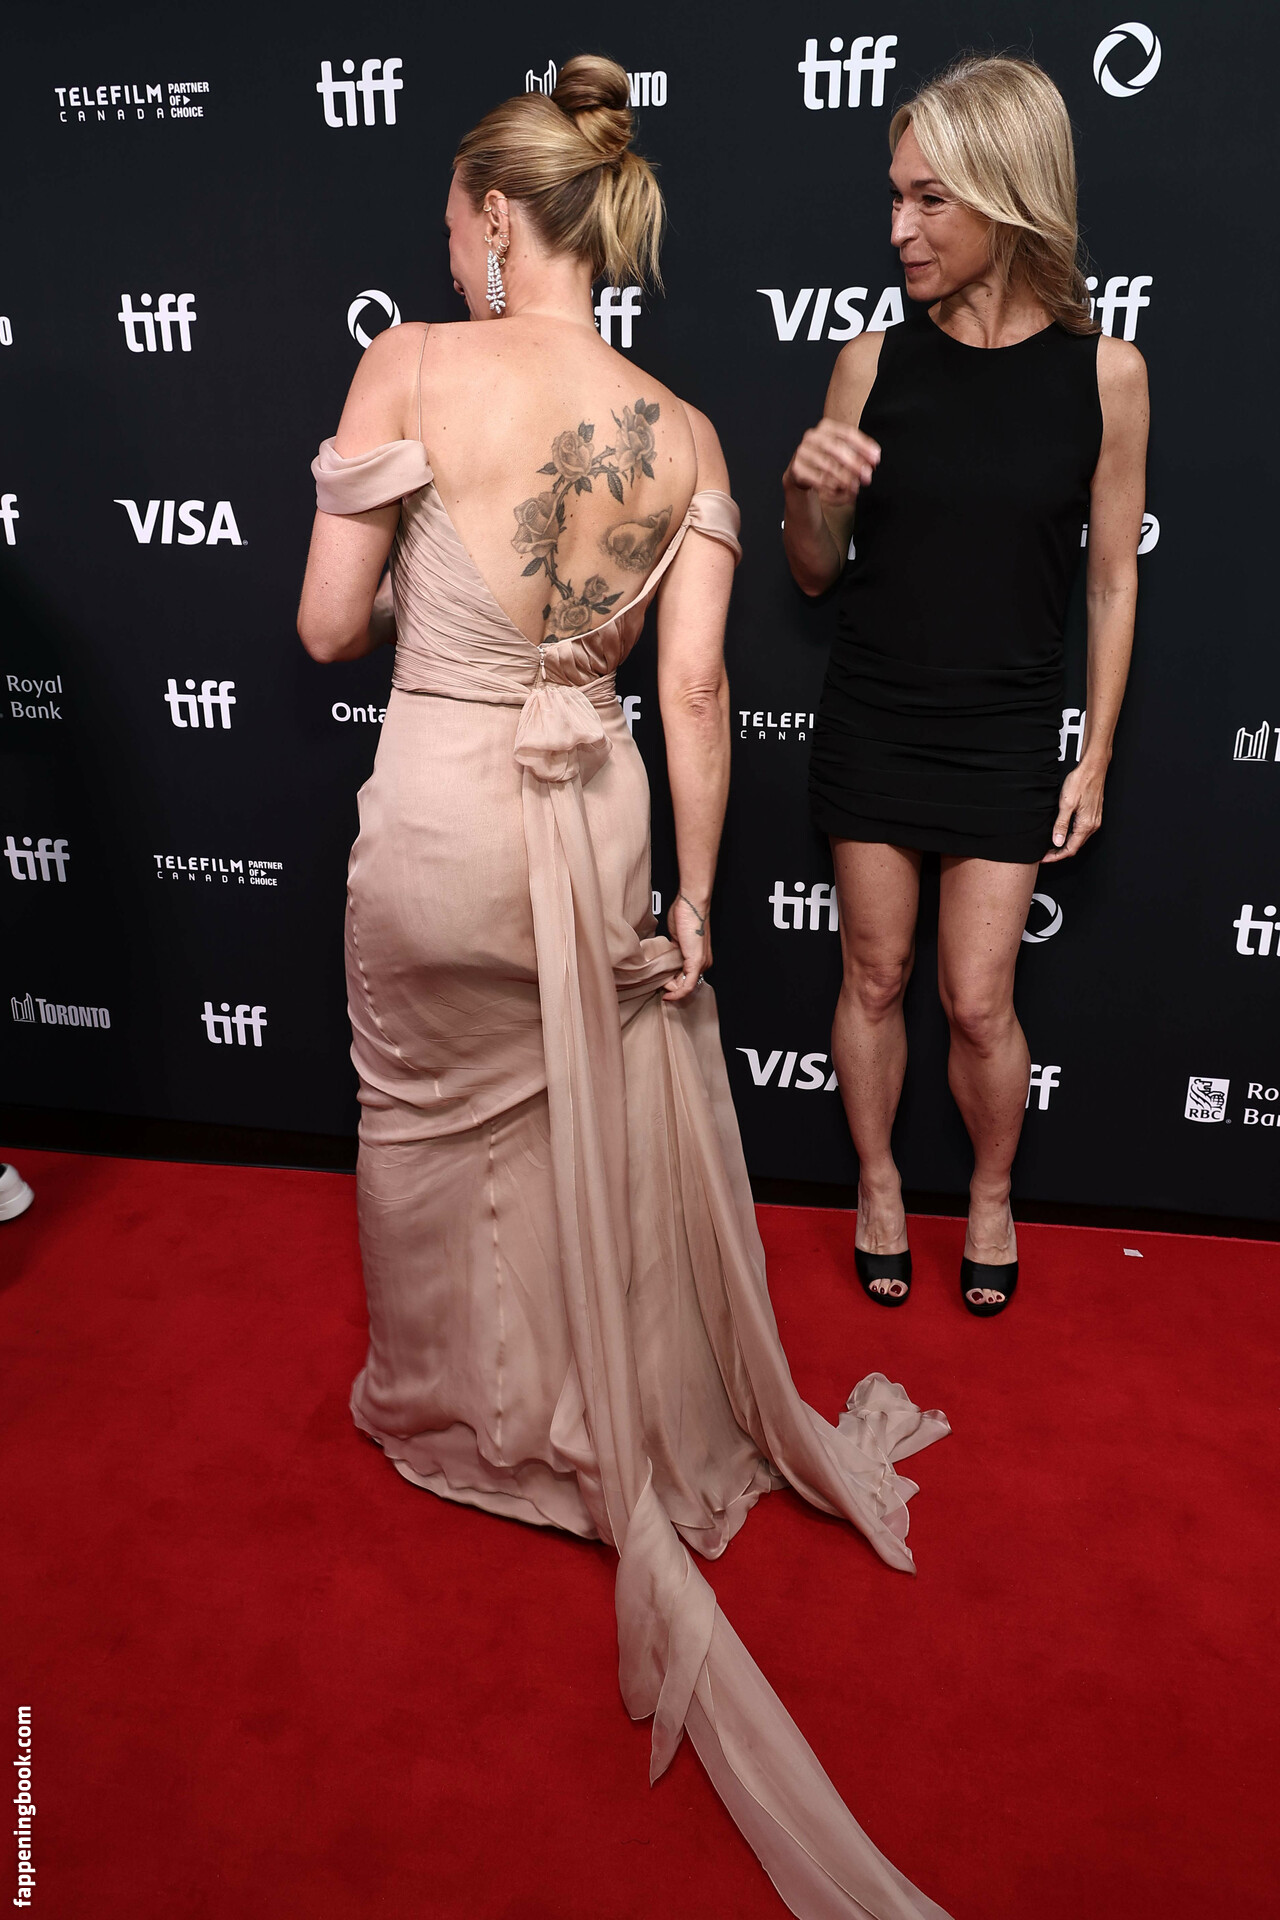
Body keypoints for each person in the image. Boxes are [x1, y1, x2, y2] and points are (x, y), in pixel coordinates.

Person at [298, 54, 952, 1920]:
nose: (449, 246)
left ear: (505, 219)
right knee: (566, 1126)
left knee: (426, 1126)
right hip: (593, 829)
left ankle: (456, 1417)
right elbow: (697, 696)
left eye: (454, 220)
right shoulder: (688, 435)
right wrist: (696, 903)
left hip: (439, 813)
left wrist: (415, 583)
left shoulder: (410, 363)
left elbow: (328, 627)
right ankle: (583, 1417)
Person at [783, 56, 1148, 1318]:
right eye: (894, 197)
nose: (899, 228)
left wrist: (1093, 753)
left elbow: (1111, 581)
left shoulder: (1105, 376)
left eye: (928, 200)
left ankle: (990, 1196)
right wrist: (805, 499)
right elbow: (813, 574)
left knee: (978, 1001)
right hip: (875, 712)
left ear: (1007, 194)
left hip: (1003, 730)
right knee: (873, 977)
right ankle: (879, 1185)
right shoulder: (867, 361)